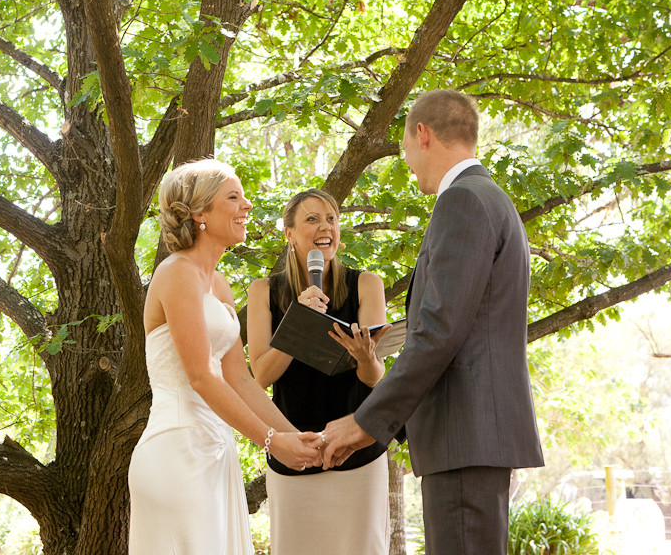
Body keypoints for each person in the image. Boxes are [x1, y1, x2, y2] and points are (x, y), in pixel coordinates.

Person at [319, 89, 545, 555]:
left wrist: (365, 422)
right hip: (472, 438)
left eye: (404, 146)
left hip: (464, 435)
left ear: (422, 134)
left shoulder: (462, 201)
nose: (406, 159)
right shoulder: (490, 198)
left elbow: (438, 333)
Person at [128, 159, 321, 555]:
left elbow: (240, 378)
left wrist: (298, 438)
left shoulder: (218, 283)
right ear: (200, 213)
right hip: (176, 452)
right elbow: (201, 376)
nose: (246, 205)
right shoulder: (176, 272)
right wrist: (271, 442)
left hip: (216, 450)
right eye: (233, 197)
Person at [247, 188, 392, 555]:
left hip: (357, 453)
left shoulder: (367, 284)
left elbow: (374, 378)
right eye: (312, 219)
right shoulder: (263, 292)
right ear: (290, 234)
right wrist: (300, 322)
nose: (326, 227)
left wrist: (366, 358)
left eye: (331, 219)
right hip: (295, 452)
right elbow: (260, 375)